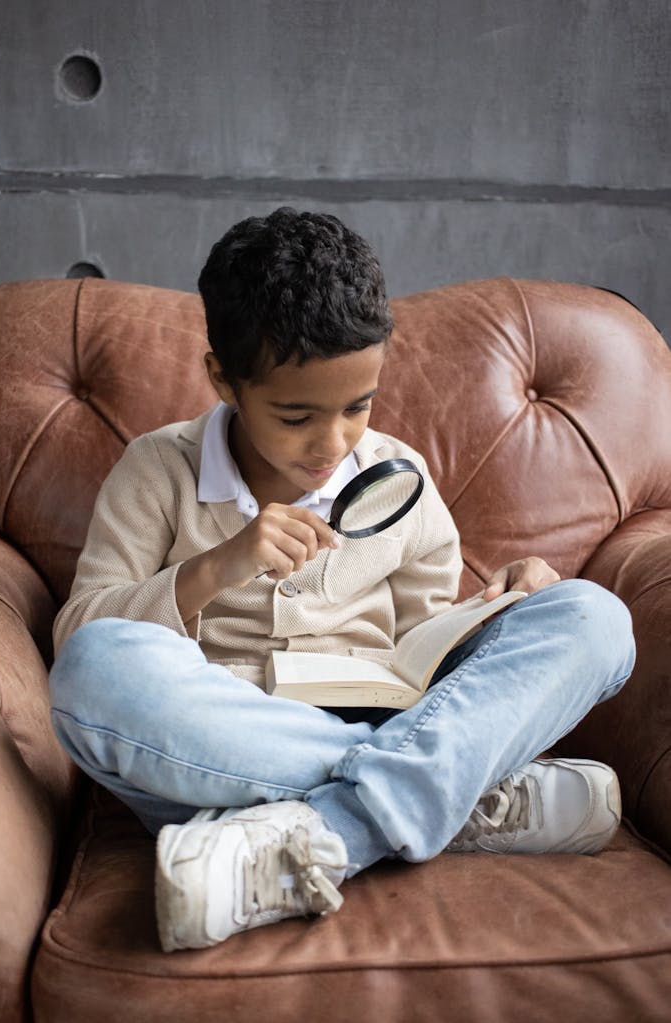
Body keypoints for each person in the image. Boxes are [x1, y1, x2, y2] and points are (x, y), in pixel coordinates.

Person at [49, 208, 635, 952]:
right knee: (94, 669)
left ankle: (333, 826)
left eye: (358, 406)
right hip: (221, 754)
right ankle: (448, 796)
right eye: (296, 417)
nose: (332, 443)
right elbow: (82, 632)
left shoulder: (402, 479)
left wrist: (497, 610)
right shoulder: (158, 470)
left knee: (595, 617)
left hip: (378, 720)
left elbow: (418, 660)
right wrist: (216, 566)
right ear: (222, 379)